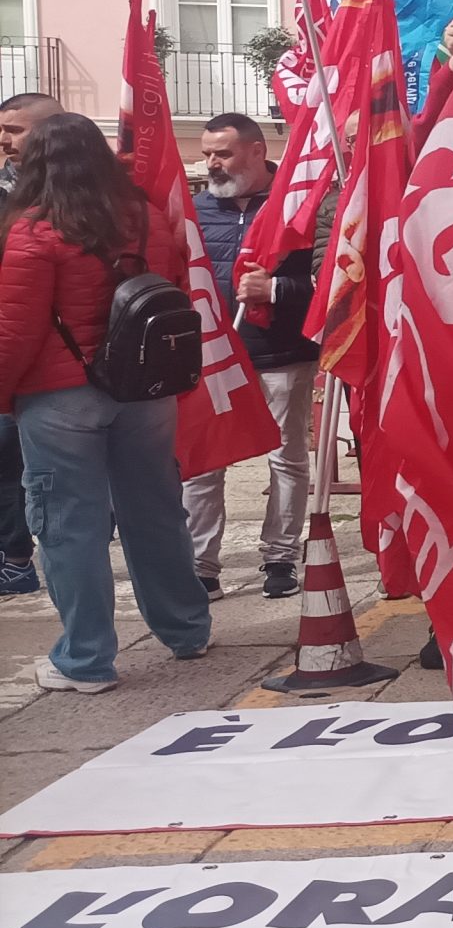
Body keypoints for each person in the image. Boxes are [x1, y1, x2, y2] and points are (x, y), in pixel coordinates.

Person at [0, 113, 213, 692]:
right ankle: (187, 628)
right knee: (156, 512)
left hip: (61, 395)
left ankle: (86, 659)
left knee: (70, 527)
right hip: (143, 389)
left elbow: (15, 332)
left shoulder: (35, 231)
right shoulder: (145, 219)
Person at [180, 112, 317, 602]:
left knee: (286, 457)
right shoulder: (195, 211)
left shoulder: (301, 206)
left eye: (222, 153)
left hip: (282, 353)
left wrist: (275, 288)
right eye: (207, 153)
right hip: (213, 355)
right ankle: (201, 566)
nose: (210, 163)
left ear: (257, 152)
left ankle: (280, 556)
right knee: (204, 461)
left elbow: (333, 281)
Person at [0, 90, 60, 598]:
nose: (4, 140)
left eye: (15, 129)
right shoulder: (7, 192)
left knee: (23, 470)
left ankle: (18, 559)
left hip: (48, 365)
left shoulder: (75, 201)